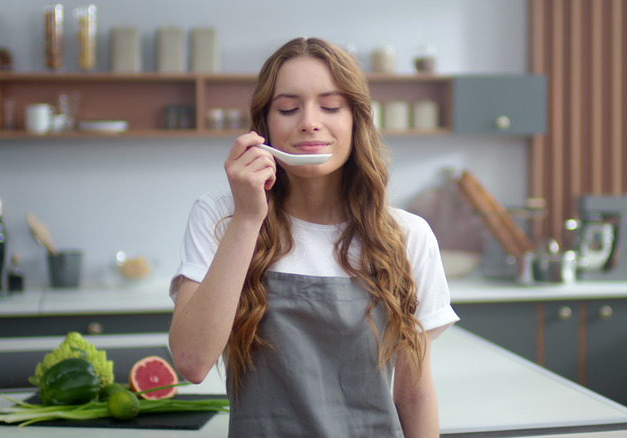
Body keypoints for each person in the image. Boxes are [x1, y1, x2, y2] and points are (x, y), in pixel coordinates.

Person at [168, 37, 459, 437]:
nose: (309, 121)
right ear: (264, 124)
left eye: (330, 106)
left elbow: (413, 396)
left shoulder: (408, 236)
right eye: (288, 108)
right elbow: (191, 361)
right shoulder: (222, 216)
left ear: (357, 120)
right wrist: (249, 217)